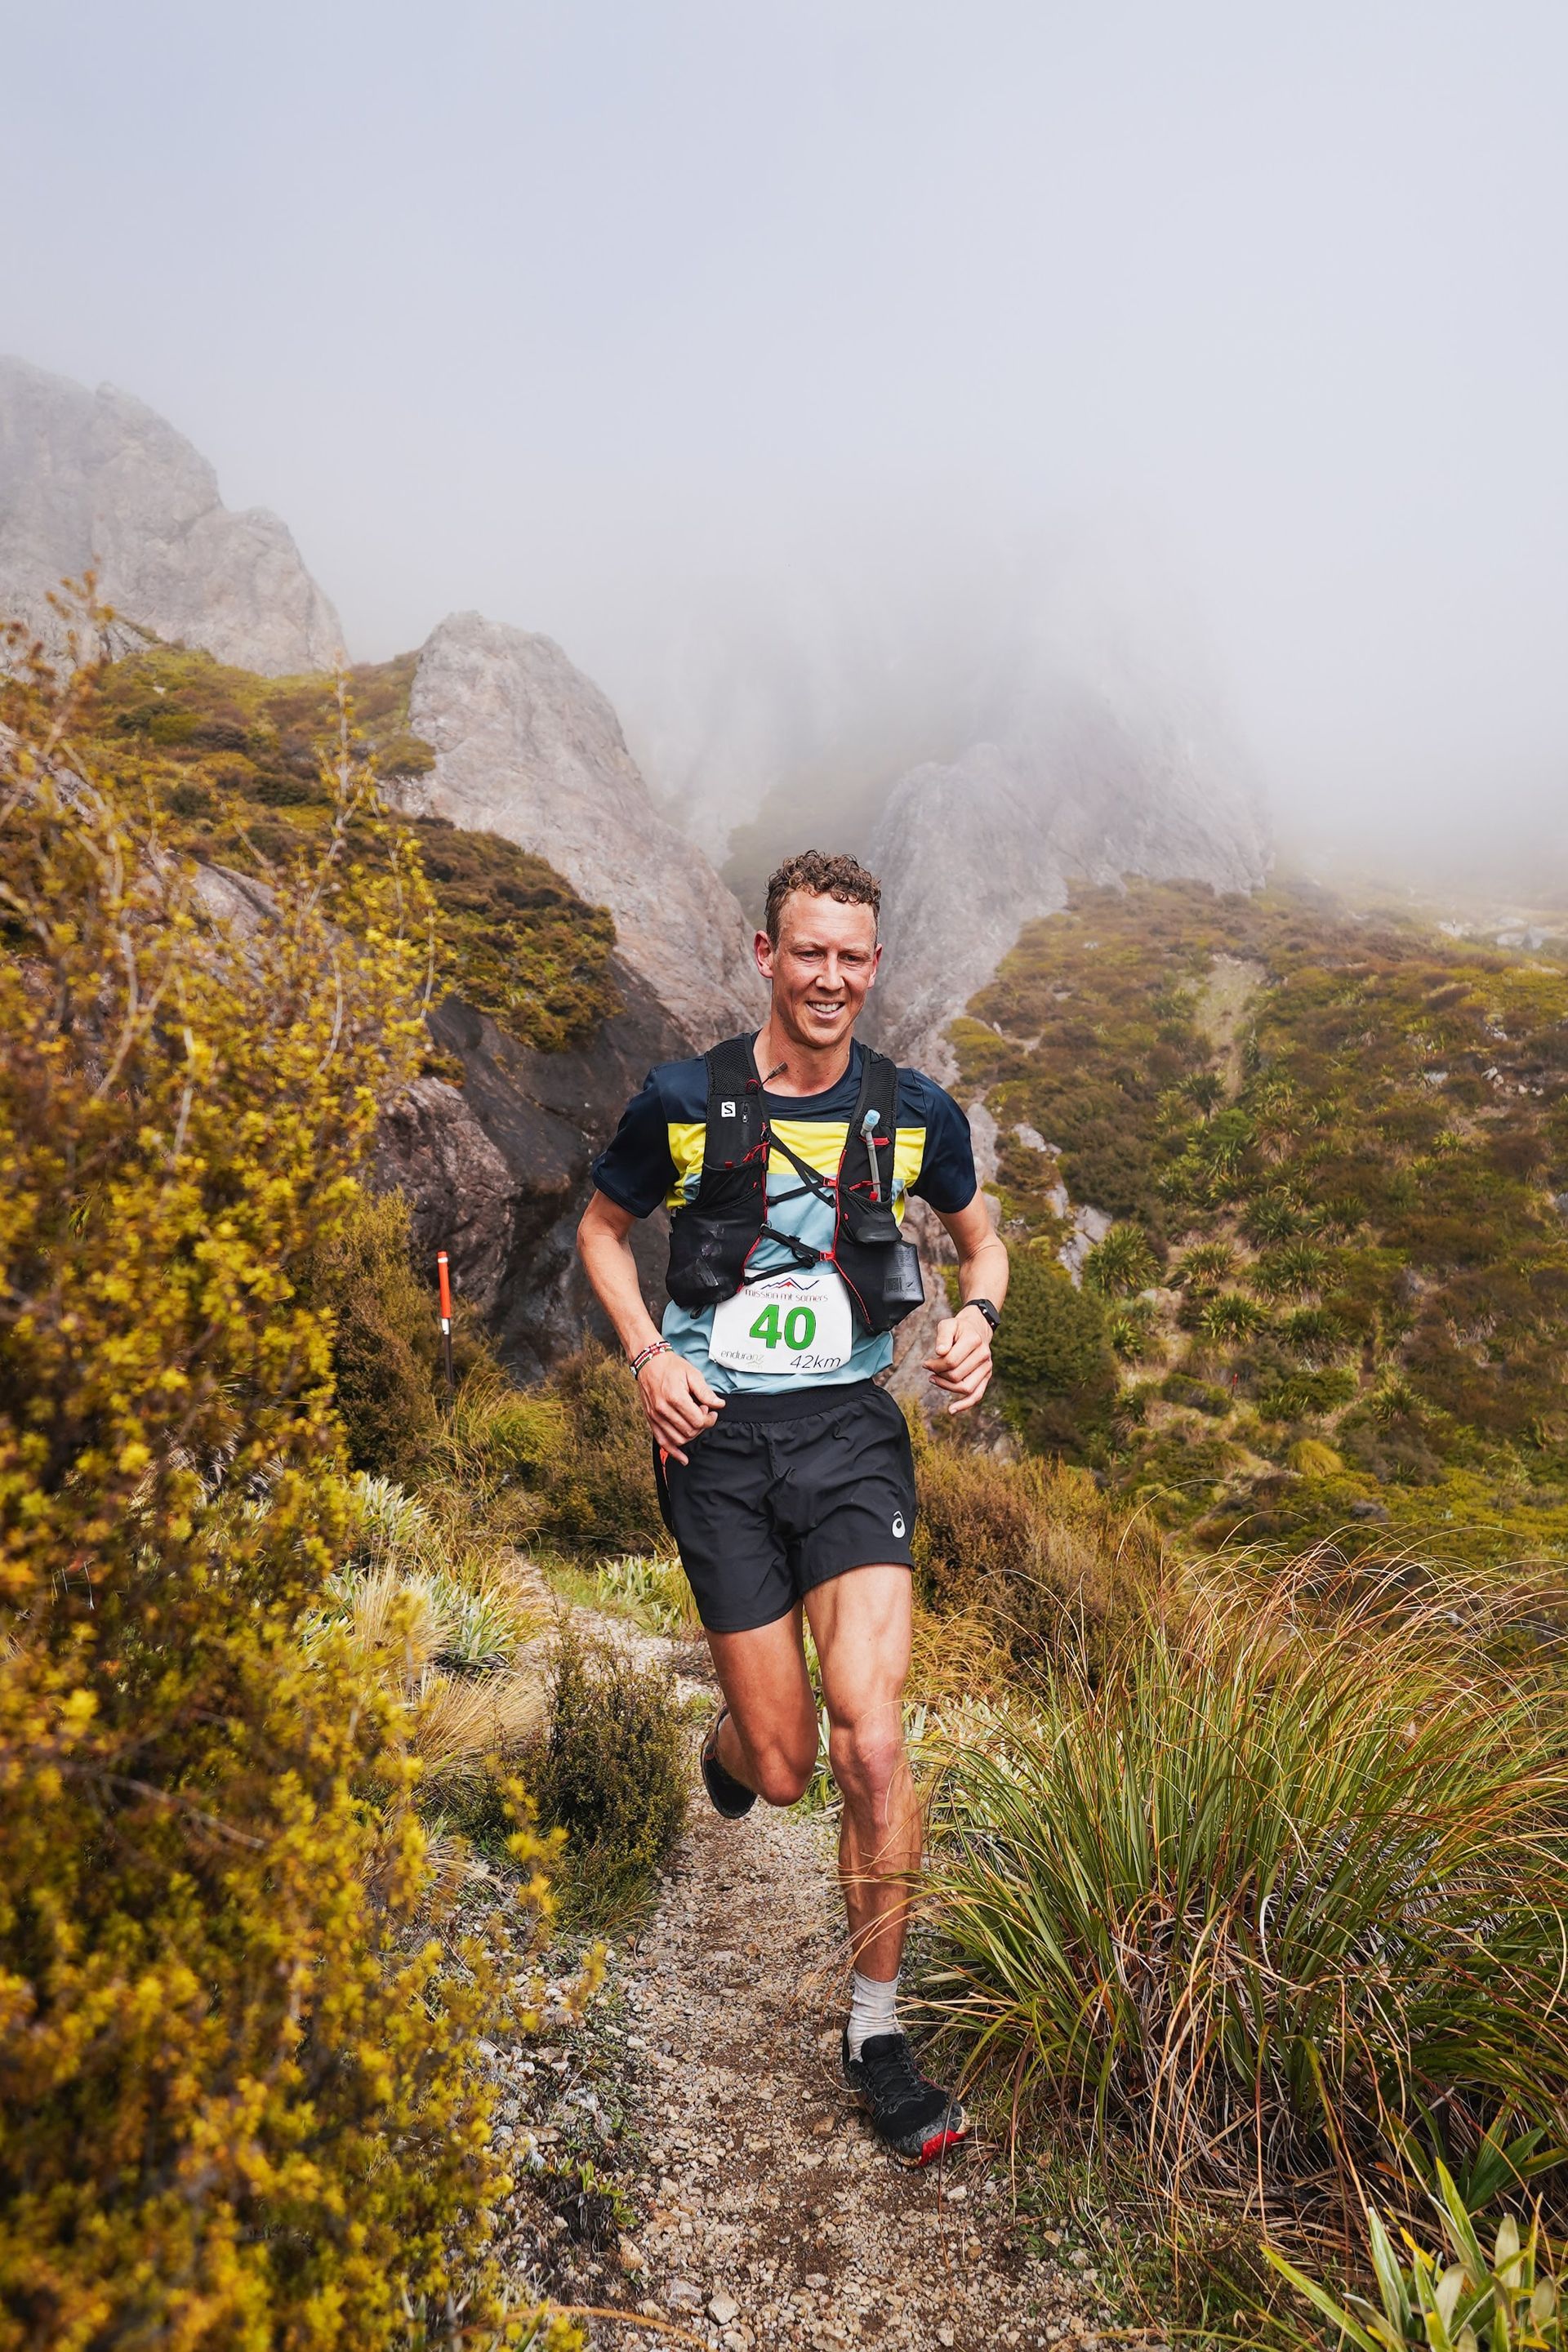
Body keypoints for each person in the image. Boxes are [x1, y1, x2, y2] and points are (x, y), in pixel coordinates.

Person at [576, 849, 1008, 2167]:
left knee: (873, 1746)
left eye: (852, 958)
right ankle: (736, 1743)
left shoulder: (913, 1112)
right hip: (713, 1442)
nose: (830, 978)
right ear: (765, 955)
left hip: (850, 1434)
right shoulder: (681, 1102)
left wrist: (979, 1316)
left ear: (875, 968)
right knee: (785, 1766)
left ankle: (876, 2031)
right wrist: (651, 1356)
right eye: (806, 952)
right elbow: (599, 1232)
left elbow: (983, 1238)